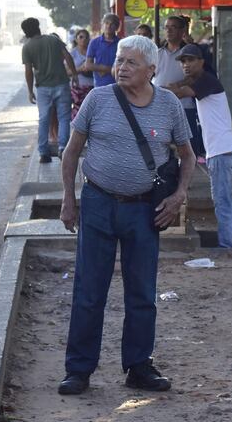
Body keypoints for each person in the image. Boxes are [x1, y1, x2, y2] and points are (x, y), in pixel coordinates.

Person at [57, 34, 196, 395]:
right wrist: (68, 200)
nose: (121, 68)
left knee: (142, 293)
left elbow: (188, 155)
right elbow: (71, 153)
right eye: (119, 60)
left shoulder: (168, 105)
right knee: (89, 290)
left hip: (144, 210)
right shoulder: (98, 99)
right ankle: (79, 370)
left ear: (151, 70)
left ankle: (138, 366)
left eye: (131, 62)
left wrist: (179, 195)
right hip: (98, 203)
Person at [166, 43, 232, 248]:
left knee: (222, 202)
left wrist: (150, 88)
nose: (186, 65)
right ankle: (227, 243)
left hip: (221, 152)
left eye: (190, 60)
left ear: (202, 62)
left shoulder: (206, 81)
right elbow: (180, 83)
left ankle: (226, 247)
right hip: (224, 150)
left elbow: (179, 92)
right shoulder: (203, 81)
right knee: (225, 201)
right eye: (183, 62)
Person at [21, 17, 78, 164]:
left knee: (44, 119)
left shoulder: (27, 47)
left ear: (26, 32)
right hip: (61, 84)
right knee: (64, 117)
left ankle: (43, 152)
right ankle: (62, 148)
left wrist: (30, 91)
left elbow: (29, 71)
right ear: (38, 27)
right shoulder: (53, 40)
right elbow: (68, 56)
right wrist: (75, 75)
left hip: (43, 88)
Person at [154, 15, 205, 161]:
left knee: (187, 147)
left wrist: (178, 85)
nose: (168, 31)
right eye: (166, 27)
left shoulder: (190, 52)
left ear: (182, 31)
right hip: (160, 106)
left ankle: (186, 180)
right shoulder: (158, 52)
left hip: (184, 106)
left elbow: (198, 76)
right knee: (160, 144)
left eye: (173, 27)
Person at [84, 13, 120, 88]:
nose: (108, 26)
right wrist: (108, 69)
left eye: (112, 24)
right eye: (106, 23)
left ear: (116, 27)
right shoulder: (94, 42)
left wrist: (101, 69)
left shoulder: (121, 43)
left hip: (118, 85)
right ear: (102, 25)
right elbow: (88, 65)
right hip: (99, 85)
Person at [70, 28, 93, 119]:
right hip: (78, 88)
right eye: (81, 37)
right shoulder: (72, 53)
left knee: (90, 112)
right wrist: (80, 69)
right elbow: (67, 72)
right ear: (76, 39)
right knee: (78, 114)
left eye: (86, 37)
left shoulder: (92, 51)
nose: (83, 39)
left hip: (92, 86)